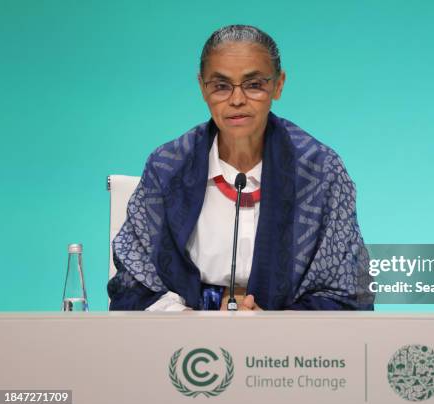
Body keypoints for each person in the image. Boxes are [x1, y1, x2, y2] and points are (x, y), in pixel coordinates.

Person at [107, 25, 373, 311]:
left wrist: (270, 323)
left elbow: (347, 290)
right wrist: (193, 317)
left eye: (254, 84)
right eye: (221, 86)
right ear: (202, 87)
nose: (236, 100)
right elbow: (132, 284)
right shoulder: (167, 168)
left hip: (289, 347)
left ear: (278, 85)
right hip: (184, 340)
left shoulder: (320, 171)